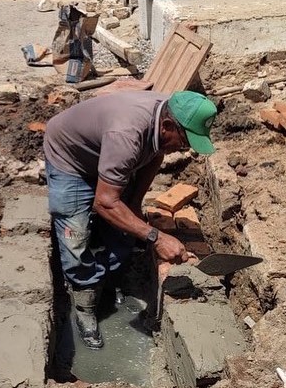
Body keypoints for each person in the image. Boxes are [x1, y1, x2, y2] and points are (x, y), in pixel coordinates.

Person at [43, 90, 218, 349]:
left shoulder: (166, 115)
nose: (184, 149)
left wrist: (134, 202)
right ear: (167, 126)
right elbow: (104, 202)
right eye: (184, 142)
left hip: (110, 152)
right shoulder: (127, 135)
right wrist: (156, 237)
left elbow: (155, 155)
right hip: (70, 158)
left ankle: (106, 279)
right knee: (75, 236)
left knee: (126, 227)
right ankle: (85, 301)